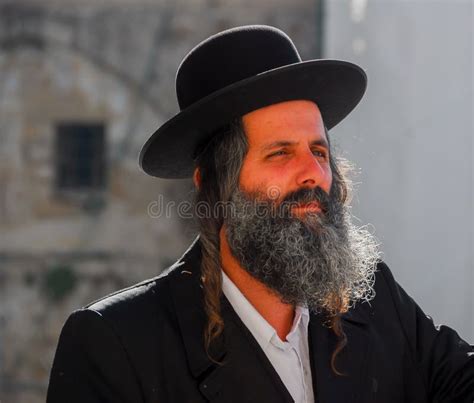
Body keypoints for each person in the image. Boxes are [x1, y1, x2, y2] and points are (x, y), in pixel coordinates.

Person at [47, 25, 474, 403]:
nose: (313, 173)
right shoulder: (117, 343)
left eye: (319, 151)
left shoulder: (371, 297)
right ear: (216, 185)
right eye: (280, 153)